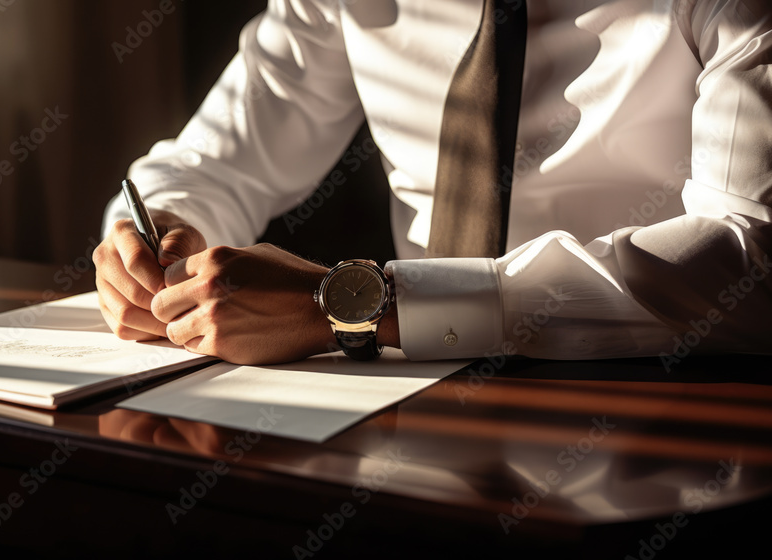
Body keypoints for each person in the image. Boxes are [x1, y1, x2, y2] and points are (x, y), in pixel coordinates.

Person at [94, 0, 772, 365]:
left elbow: (750, 259)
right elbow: (212, 163)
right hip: (412, 395)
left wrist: (356, 305)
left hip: (667, 392)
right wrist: (159, 233)